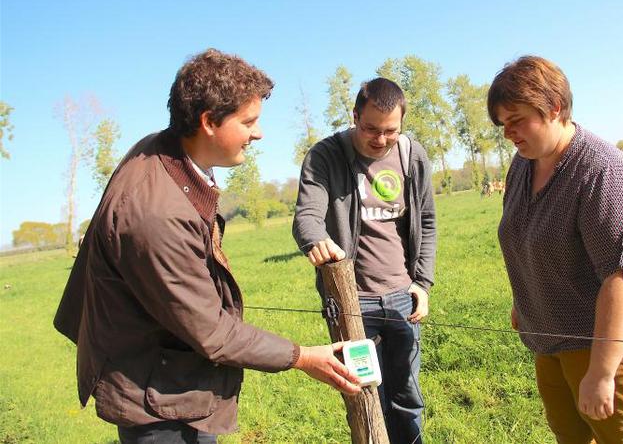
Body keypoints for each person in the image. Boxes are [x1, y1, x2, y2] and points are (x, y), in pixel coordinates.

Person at [53, 49, 360, 444]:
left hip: (168, 375)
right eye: (248, 122)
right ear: (208, 122)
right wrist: (301, 357)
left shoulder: (166, 153)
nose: (259, 133)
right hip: (155, 404)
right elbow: (212, 332)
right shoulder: (155, 213)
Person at [487, 56, 623, 444]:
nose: (508, 133)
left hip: (619, 343)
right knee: (571, 436)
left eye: (516, 120)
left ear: (555, 107)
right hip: (554, 334)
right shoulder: (525, 163)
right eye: (502, 124)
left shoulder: (604, 172)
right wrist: (526, 302)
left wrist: (602, 372)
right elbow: (526, 237)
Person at [292, 77, 436, 444]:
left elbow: (428, 221)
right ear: (354, 116)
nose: (381, 139)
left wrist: (422, 282)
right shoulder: (326, 155)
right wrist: (316, 240)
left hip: (403, 296)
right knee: (365, 395)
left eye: (391, 131)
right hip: (352, 302)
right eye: (371, 128)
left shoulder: (411, 154)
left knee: (406, 396)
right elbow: (307, 215)